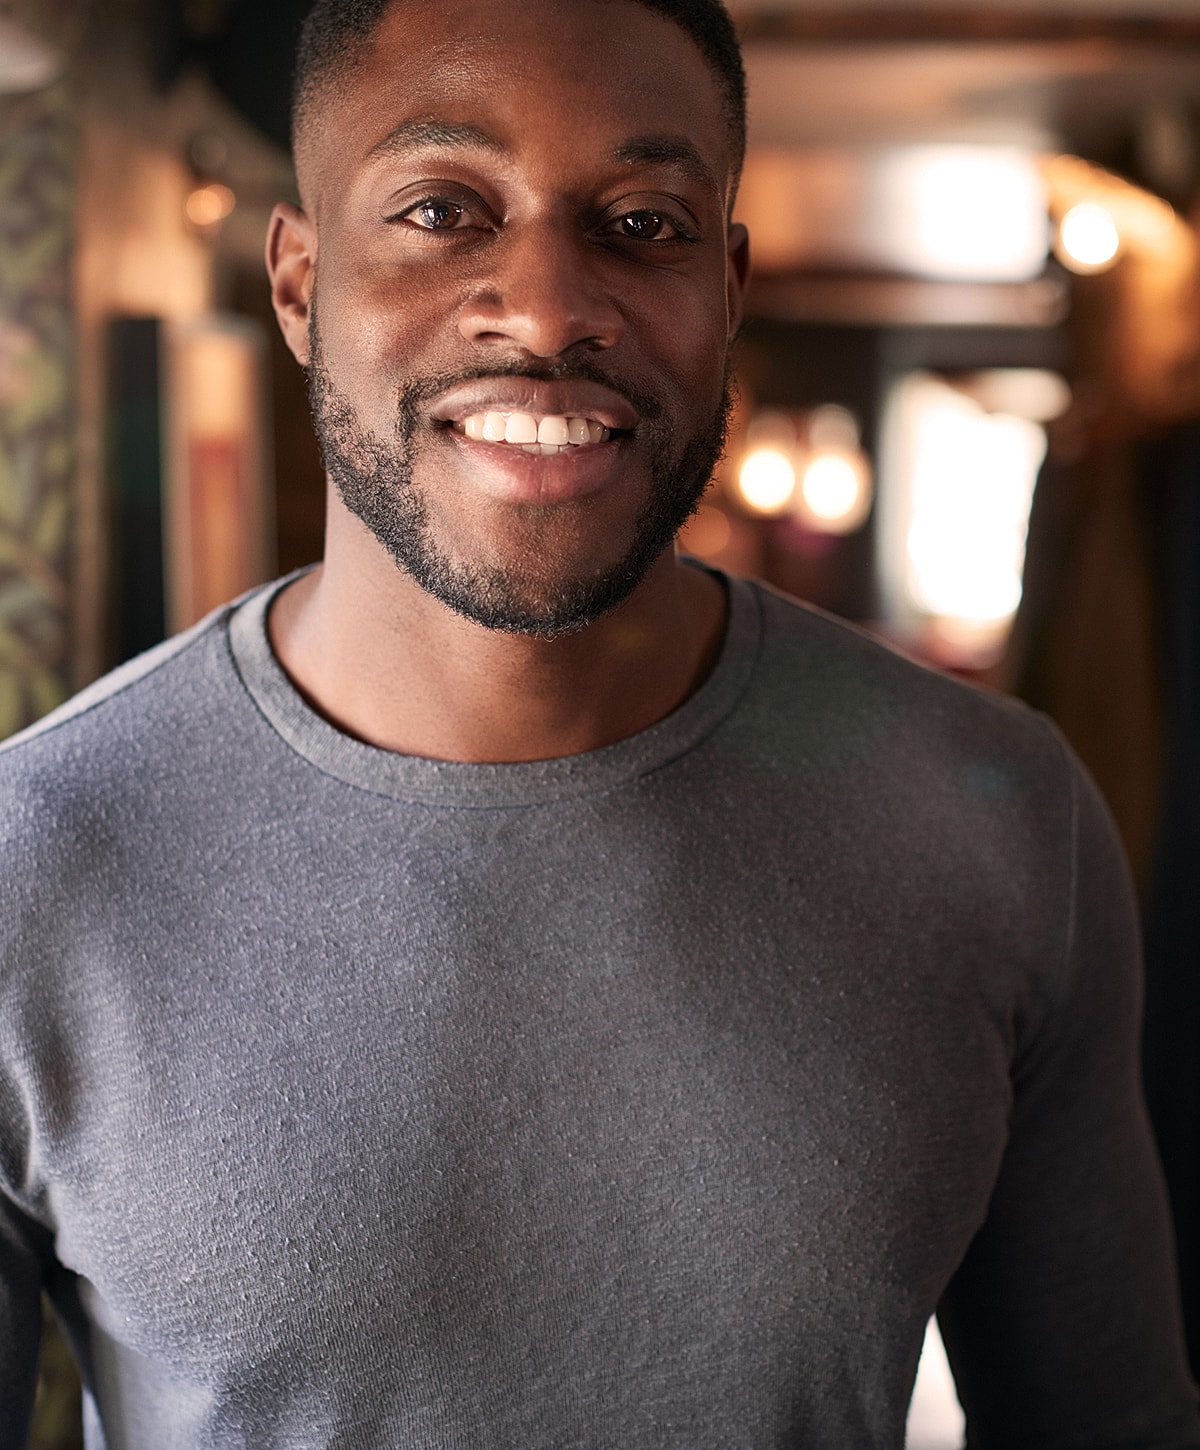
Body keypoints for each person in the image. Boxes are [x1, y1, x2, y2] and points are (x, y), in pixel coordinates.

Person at [1, 0, 1197, 1444]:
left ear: (729, 286)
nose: (552, 305)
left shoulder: (994, 816)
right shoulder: (37, 866)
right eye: (445, 209)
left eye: (642, 223)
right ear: (304, 283)